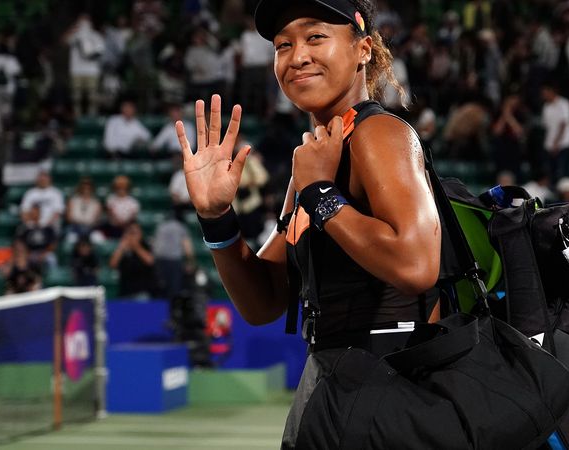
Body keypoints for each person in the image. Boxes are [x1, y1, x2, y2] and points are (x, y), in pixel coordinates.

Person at [175, 1, 440, 447]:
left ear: (363, 50)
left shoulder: (379, 134)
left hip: (393, 388)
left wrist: (319, 192)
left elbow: (416, 266)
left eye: (315, 37)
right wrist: (217, 217)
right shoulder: (316, 160)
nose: (297, 56)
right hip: (339, 384)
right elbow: (264, 302)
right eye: (283, 45)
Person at [109, 222, 156, 299]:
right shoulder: (123, 249)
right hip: (124, 292)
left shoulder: (145, 245)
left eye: (134, 233)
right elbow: (112, 264)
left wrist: (136, 247)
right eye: (130, 232)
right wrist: (121, 248)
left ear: (140, 234)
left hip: (142, 292)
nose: (132, 236)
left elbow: (150, 261)